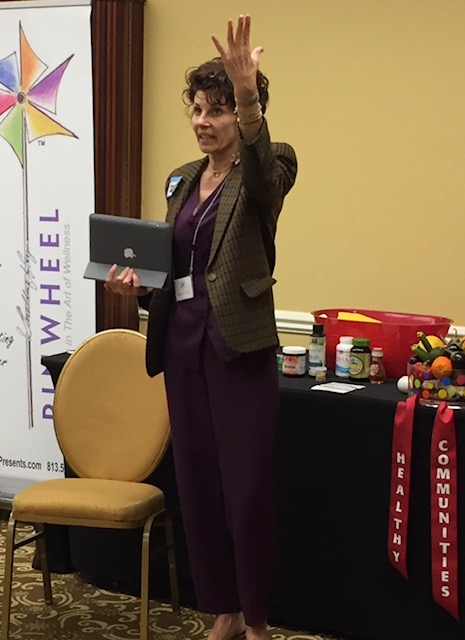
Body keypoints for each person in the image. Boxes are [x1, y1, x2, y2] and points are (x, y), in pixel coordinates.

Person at [105, 15, 297, 640]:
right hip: (182, 346)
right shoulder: (182, 179)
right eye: (197, 109)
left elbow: (265, 165)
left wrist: (247, 98)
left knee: (246, 493)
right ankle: (223, 610)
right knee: (200, 488)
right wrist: (135, 290)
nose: (203, 121)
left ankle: (258, 619)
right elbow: (175, 266)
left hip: (238, 350)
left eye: (217, 109)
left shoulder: (268, 168)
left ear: (245, 110)